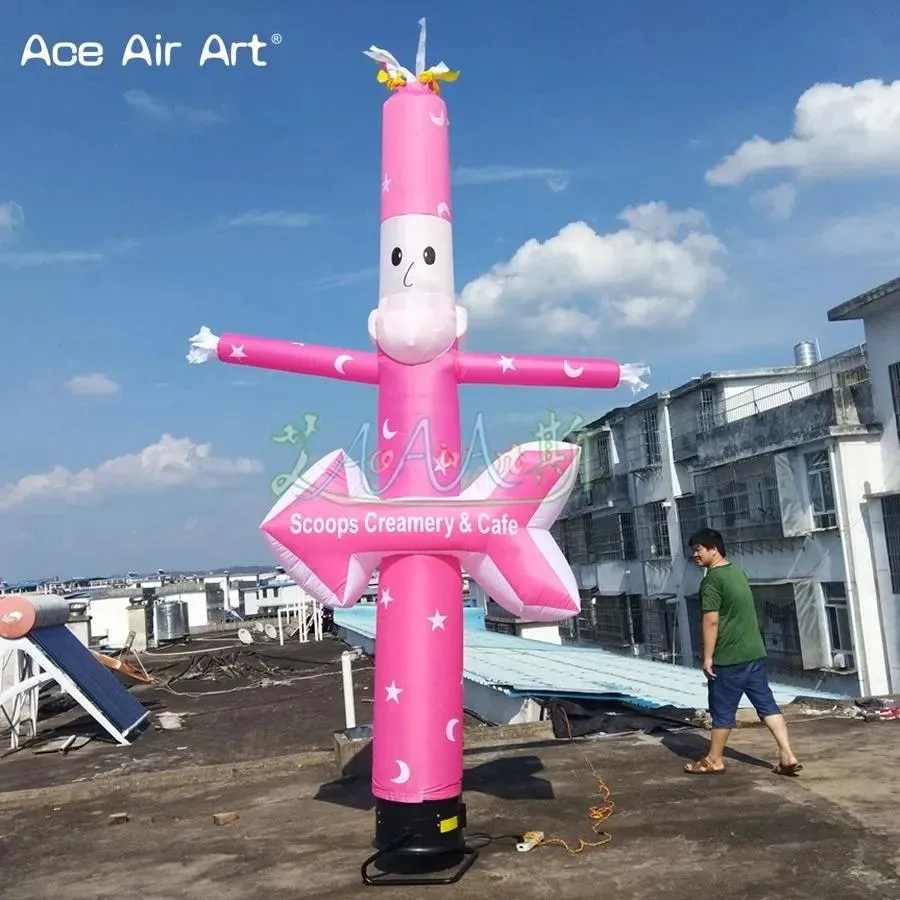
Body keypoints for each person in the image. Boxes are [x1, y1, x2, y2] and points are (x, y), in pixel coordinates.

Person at [683, 527, 802, 776]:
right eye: (693, 550)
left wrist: (707, 657)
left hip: (730, 658)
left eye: (698, 549)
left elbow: (711, 621)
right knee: (767, 705)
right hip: (754, 653)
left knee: (722, 711)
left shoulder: (712, 581)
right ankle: (787, 754)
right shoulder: (737, 572)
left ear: (714, 549)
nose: (694, 555)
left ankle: (714, 759)